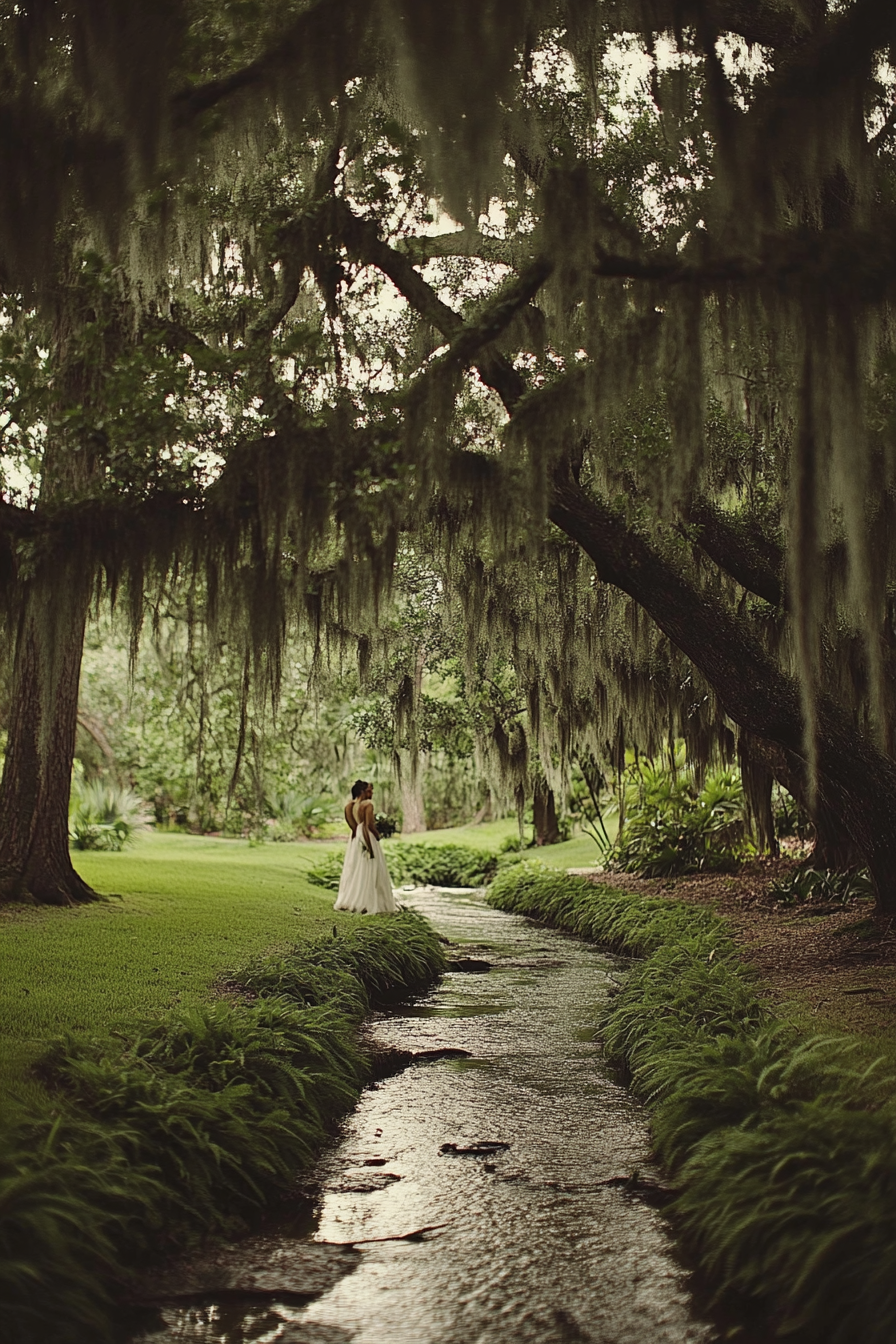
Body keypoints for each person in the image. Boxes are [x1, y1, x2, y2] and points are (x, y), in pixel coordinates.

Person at [334, 779, 398, 914]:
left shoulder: (350, 806)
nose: (372, 793)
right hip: (367, 837)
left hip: (357, 840)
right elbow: (368, 825)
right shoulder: (368, 805)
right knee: (372, 868)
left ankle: (354, 899)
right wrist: (376, 835)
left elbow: (354, 826)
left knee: (358, 869)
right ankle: (371, 902)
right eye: (369, 790)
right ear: (362, 791)